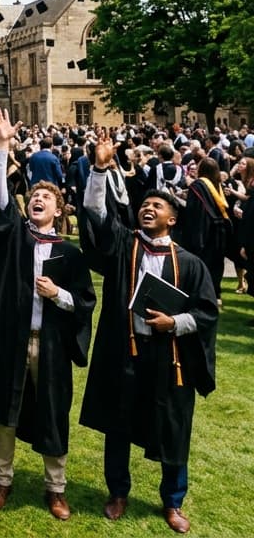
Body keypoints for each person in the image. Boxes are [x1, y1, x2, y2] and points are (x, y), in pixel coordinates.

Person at [79, 136, 218, 534]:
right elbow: (95, 213)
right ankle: (117, 492)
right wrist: (101, 169)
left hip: (168, 357)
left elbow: (206, 313)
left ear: (172, 218)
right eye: (144, 205)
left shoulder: (190, 264)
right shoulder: (125, 246)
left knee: (173, 428)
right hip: (127, 351)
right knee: (118, 423)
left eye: (156, 206)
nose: (147, 209)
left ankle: (173, 502)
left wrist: (174, 324)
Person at [0, 108, 95, 520]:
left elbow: (84, 303)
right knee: (4, 411)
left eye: (48, 197)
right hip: (12, 338)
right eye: (35, 196)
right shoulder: (14, 238)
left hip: (49, 345)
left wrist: (58, 293)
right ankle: (2, 479)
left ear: (60, 210)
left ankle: (55, 486)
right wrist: (3, 144)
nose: (39, 199)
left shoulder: (70, 254)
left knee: (52, 413)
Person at [179, 157, 232, 302]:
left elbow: (195, 211)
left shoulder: (198, 185)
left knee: (203, 264)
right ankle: (216, 295)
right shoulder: (217, 185)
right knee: (216, 264)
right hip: (218, 232)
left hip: (203, 232)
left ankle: (202, 297)